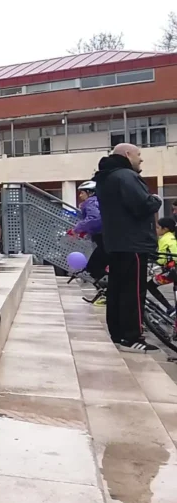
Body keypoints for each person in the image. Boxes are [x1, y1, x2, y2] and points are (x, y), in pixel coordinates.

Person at [94, 143, 161, 352]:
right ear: (127, 154)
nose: (141, 159)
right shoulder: (125, 176)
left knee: (117, 289)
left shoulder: (106, 178)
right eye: (138, 155)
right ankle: (133, 337)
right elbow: (142, 206)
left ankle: (118, 334)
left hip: (116, 243)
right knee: (133, 291)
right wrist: (156, 200)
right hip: (133, 243)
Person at [71, 180, 106, 301]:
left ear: (90, 193)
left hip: (104, 239)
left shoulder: (91, 202)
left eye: (82, 193)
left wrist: (77, 229)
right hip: (105, 239)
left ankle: (107, 293)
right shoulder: (99, 202)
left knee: (94, 267)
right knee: (97, 266)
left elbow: (94, 218)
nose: (80, 196)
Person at [147, 216, 177, 315]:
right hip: (174, 270)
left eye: (158, 227)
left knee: (150, 285)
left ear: (165, 229)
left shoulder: (164, 239)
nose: (156, 230)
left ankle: (169, 308)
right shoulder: (172, 237)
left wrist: (152, 260)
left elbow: (162, 259)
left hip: (172, 271)